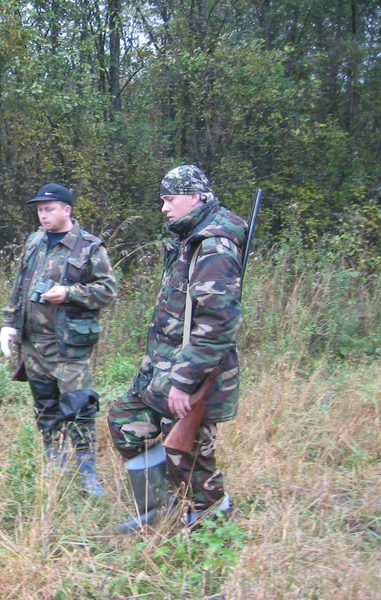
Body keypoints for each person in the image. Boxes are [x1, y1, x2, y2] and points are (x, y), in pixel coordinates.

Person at [107, 165, 248, 532]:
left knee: (189, 455)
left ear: (195, 197)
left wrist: (185, 381)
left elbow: (218, 323)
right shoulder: (190, 237)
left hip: (192, 372)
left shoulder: (213, 245)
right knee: (125, 421)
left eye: (170, 199)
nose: (164, 208)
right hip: (162, 368)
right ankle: (159, 506)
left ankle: (211, 520)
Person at [0, 183, 117, 496]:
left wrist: (69, 293)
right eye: (40, 209)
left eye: (49, 209)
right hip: (33, 344)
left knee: (79, 407)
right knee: (45, 407)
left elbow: (107, 290)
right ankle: (55, 463)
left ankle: (88, 474)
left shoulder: (88, 247)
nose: (43, 215)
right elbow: (20, 285)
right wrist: (9, 322)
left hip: (68, 345)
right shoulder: (34, 241)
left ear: (67, 209)